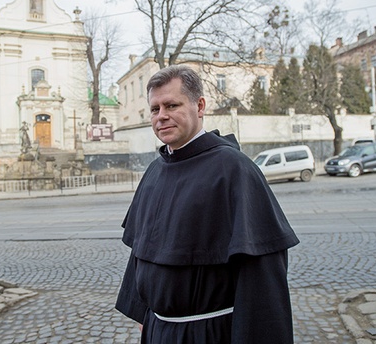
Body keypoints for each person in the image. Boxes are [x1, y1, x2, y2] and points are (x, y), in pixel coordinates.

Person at [115, 65, 300, 343]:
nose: (161, 116)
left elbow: (262, 272)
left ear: (199, 106)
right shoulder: (155, 171)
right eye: (155, 109)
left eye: (172, 105)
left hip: (208, 333)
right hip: (158, 330)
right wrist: (144, 313)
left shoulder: (234, 170)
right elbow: (142, 251)